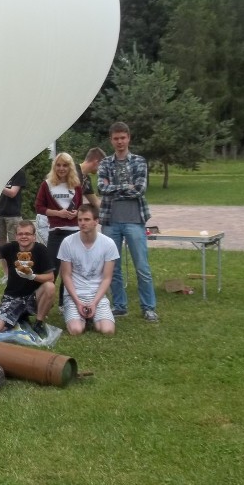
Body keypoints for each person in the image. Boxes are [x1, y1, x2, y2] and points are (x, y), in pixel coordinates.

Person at [97, 121, 159, 322]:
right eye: (116, 138)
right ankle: (119, 305)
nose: (120, 142)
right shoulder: (105, 163)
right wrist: (125, 187)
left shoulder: (139, 161)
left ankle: (148, 307)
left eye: (123, 138)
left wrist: (114, 186)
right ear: (111, 140)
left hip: (134, 221)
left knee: (142, 266)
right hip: (110, 221)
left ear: (129, 138)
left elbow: (140, 189)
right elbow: (101, 189)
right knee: (112, 267)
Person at [0, 219, 53, 337]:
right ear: (16, 236)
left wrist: (32, 276)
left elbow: (50, 277)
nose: (24, 236)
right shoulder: (11, 247)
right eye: (20, 234)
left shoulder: (41, 250)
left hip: (33, 297)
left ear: (34, 236)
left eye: (27, 234)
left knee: (49, 287)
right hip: (12, 298)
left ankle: (39, 323)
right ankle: (18, 317)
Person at [58, 204, 118, 336]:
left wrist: (95, 302)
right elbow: (66, 276)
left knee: (107, 331)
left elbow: (107, 278)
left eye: (86, 219)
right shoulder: (67, 242)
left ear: (96, 221)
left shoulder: (108, 244)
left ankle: (91, 315)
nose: (82, 223)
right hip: (75, 295)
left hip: (97, 295)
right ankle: (82, 316)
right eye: (80, 220)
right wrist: (78, 302)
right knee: (76, 330)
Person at [35, 152, 84, 306]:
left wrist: (77, 213)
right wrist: (58, 213)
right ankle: (42, 302)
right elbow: (39, 207)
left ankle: (65, 303)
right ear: (54, 166)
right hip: (56, 231)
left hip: (75, 231)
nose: (62, 168)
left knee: (70, 269)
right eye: (58, 165)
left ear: (70, 167)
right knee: (51, 269)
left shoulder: (76, 185)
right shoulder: (47, 184)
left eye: (65, 165)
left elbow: (81, 205)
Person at [0, 168, 27, 246]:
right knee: (1, 242)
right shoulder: (1, 173)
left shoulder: (18, 173)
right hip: (0, 213)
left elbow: (12, 193)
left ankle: (15, 258)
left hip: (13, 215)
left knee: (14, 242)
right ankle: (2, 258)